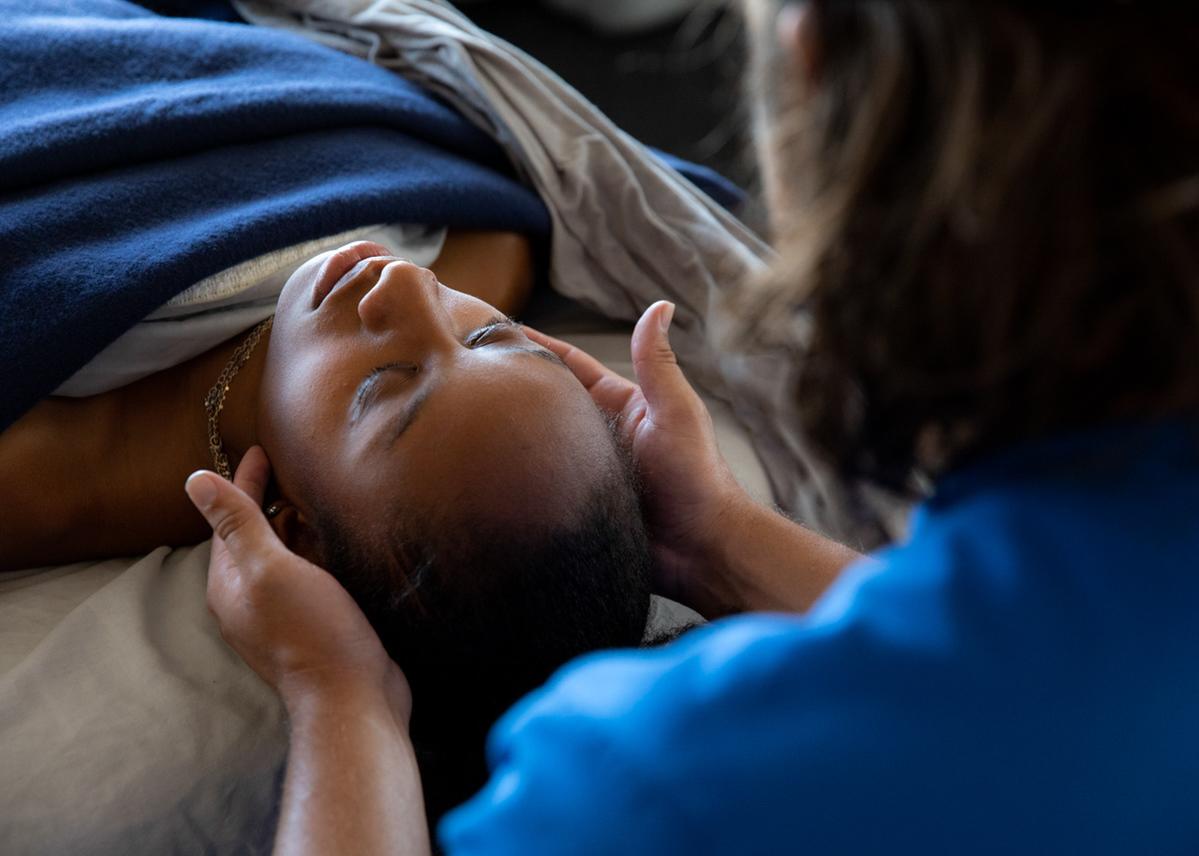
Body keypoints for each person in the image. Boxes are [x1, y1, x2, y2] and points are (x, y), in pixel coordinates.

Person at [185, 0, 1199, 853]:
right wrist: (710, 535)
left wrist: (337, 699)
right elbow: (1010, 688)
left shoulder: (643, 788)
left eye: (496, 335)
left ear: (816, 72)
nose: (407, 284)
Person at [0, 231, 655, 817]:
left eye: (381, 388)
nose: (405, 284)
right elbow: (506, 235)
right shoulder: (486, 260)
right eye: (489, 336)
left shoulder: (35, 484)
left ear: (296, 538)